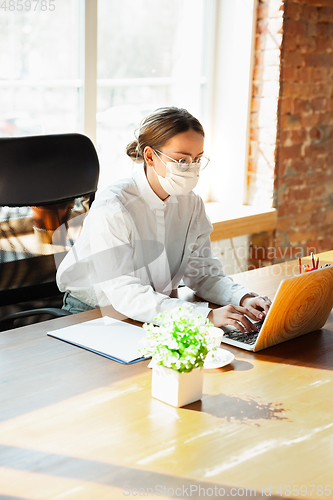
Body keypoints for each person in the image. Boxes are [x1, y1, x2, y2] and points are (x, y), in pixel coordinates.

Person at [56, 107, 271, 331]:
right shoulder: (114, 207)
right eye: (181, 160)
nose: (191, 168)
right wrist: (205, 317)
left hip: (156, 310)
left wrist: (243, 297)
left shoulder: (192, 203)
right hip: (94, 313)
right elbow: (124, 292)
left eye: (197, 159)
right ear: (150, 156)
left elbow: (203, 273)